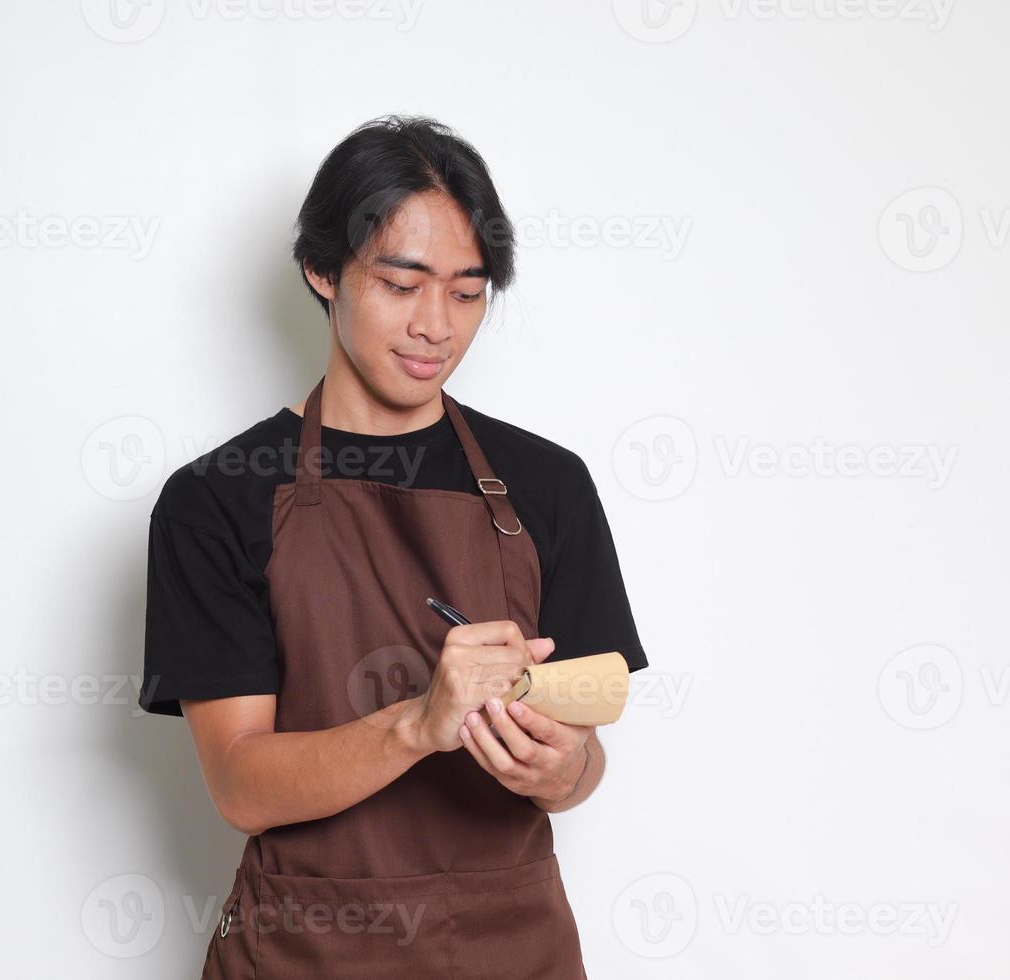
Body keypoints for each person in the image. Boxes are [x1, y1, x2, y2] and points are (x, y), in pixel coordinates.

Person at [139, 114, 649, 978]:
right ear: (323, 270)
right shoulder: (216, 498)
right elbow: (240, 785)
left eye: (466, 290)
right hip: (307, 951)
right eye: (402, 283)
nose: (435, 326)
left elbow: (585, 756)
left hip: (511, 948)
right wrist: (420, 721)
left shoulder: (549, 484)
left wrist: (560, 770)